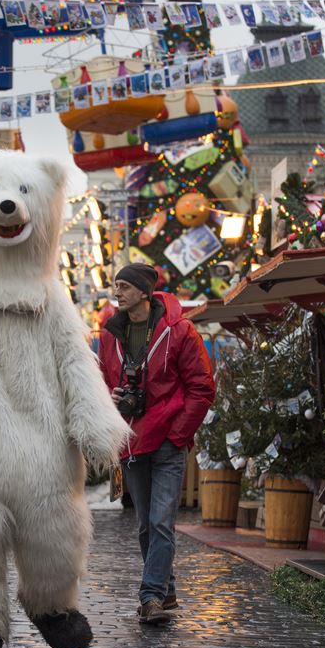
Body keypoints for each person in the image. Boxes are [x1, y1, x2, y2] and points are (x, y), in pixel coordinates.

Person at [97, 263, 215, 625]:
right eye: (115, 285)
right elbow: (100, 381)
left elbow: (202, 387)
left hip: (166, 441)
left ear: (145, 292)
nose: (116, 292)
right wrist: (110, 396)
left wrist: (178, 434)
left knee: (161, 522)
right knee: (146, 525)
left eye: (123, 286)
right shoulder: (110, 334)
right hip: (132, 442)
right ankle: (167, 587)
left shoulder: (180, 331)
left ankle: (150, 597)